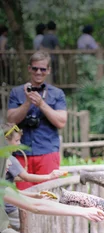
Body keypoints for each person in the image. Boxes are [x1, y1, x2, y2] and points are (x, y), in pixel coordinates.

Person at [6, 51, 67, 190]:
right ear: (29, 69)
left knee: (49, 193)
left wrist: (41, 104)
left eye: (43, 69)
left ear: (48, 70)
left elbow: (61, 122)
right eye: (35, 68)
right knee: (24, 198)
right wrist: (27, 102)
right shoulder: (17, 92)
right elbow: (11, 120)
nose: (38, 72)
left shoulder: (57, 93)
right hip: (21, 152)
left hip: (47, 150)